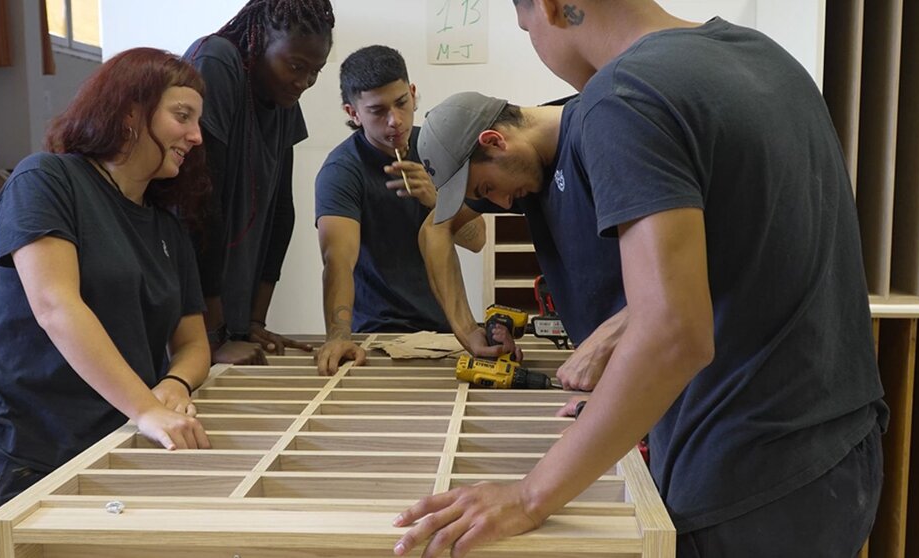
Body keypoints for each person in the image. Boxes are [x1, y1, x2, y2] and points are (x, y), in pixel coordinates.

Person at [393, 2, 888, 557]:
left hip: (747, 481)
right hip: (841, 452)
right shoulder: (760, 55)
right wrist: (624, 400)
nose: (531, 40)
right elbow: (745, 255)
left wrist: (529, 496)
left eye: (525, 25)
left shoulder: (623, 99)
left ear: (552, 6)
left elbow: (673, 333)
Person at [0, 48, 213, 542]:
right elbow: (56, 306)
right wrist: (145, 408)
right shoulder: (46, 180)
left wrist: (176, 384)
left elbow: (194, 342)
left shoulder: (166, 225)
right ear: (128, 112)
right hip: (27, 440)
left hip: (112, 438)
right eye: (181, 116)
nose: (196, 136)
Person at [409, 92, 625, 384]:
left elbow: (688, 276)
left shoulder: (602, 135)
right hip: (618, 375)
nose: (503, 204)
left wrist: (605, 341)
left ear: (494, 141)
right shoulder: (523, 162)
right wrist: (467, 330)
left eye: (487, 188)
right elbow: (434, 229)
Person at [314, 45, 486, 375]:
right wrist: (337, 336)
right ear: (353, 113)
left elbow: (477, 238)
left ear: (413, 92)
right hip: (378, 336)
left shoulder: (440, 150)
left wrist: (438, 201)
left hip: (448, 332)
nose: (395, 121)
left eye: (402, 103)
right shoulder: (341, 170)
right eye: (377, 111)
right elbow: (337, 259)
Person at [183, 0, 335, 364]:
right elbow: (200, 203)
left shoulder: (285, 101)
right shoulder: (216, 62)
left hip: (229, 316)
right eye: (296, 66)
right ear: (260, 41)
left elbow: (283, 212)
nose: (304, 82)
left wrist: (253, 321)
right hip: (193, 317)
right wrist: (216, 333)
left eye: (316, 71)